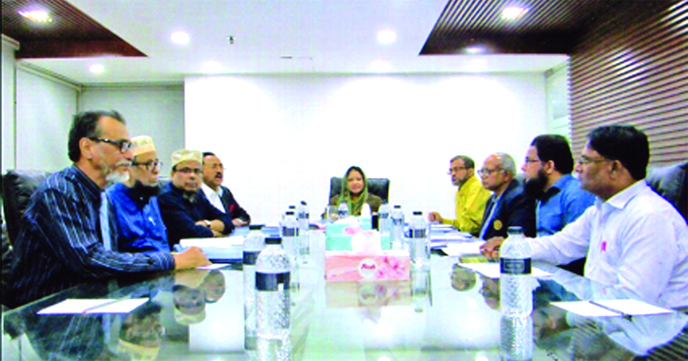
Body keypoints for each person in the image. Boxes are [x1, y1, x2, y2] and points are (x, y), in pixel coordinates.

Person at [7, 110, 210, 308]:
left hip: (93, 303)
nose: (129, 155)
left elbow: (112, 255)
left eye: (128, 147)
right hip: (45, 312)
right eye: (121, 146)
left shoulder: (101, 195)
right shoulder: (59, 191)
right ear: (87, 148)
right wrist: (169, 260)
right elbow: (90, 259)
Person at [481, 125, 688, 309]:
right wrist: (513, 247)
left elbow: (632, 300)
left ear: (614, 167)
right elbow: (560, 246)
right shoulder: (600, 210)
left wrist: (570, 318)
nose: (577, 168)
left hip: (655, 341)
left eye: (586, 161)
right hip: (605, 319)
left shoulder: (649, 217)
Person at [523, 135, 596, 275]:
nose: (523, 167)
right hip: (541, 270)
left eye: (529, 161)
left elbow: (574, 250)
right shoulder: (542, 195)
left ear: (549, 166)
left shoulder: (576, 194)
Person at [158, 149, 233, 247]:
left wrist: (207, 224)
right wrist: (214, 233)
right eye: (186, 171)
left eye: (197, 171)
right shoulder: (166, 197)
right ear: (173, 174)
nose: (192, 176)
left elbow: (227, 220)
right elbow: (188, 231)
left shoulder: (197, 196)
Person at [107, 135, 169, 253]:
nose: (156, 170)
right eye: (148, 164)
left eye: (156, 163)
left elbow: (161, 241)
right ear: (129, 167)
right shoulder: (112, 200)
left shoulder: (150, 196)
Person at [477, 153, 536, 239]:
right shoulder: (492, 199)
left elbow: (516, 237)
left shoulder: (518, 199)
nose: (483, 176)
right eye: (482, 171)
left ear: (506, 175)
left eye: (489, 171)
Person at [428, 155, 491, 236]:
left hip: (476, 238)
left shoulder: (476, 187)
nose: (453, 174)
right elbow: (462, 224)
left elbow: (470, 227)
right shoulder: (461, 190)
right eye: (451, 170)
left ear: (470, 171)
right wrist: (442, 221)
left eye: (457, 169)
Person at [201, 152, 251, 226]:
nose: (219, 171)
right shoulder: (194, 194)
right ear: (200, 170)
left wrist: (236, 221)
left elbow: (244, 216)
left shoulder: (225, 192)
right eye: (214, 167)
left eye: (221, 167)